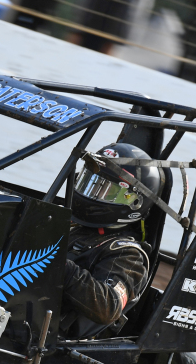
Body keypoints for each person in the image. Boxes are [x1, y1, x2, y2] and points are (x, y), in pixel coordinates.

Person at [60, 143, 161, 338]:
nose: (92, 194)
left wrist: (62, 268)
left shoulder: (126, 253)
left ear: (134, 201)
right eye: (90, 183)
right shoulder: (72, 226)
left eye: (105, 190)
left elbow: (108, 307)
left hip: (51, 338)